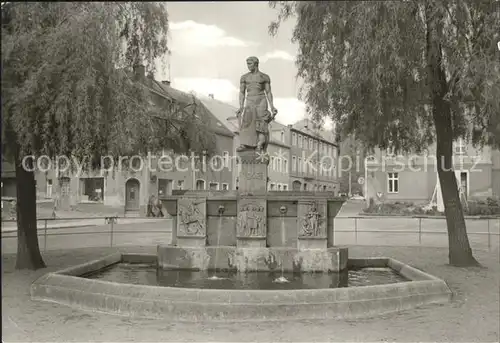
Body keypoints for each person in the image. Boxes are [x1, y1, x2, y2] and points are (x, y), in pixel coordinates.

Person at [236, 56, 278, 153]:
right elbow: (242, 92)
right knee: (247, 121)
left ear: (256, 64)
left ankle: (260, 144)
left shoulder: (264, 77)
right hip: (250, 99)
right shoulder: (244, 77)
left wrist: (272, 106)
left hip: (261, 100)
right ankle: (244, 144)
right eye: (247, 64)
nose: (248, 66)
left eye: (250, 64)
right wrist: (241, 106)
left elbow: (268, 92)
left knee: (262, 121)